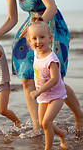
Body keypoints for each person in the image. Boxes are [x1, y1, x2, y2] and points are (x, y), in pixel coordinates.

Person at [0, 0, 83, 132]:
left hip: (51, 26)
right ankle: (37, 126)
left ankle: (79, 116)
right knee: (27, 79)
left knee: (56, 78)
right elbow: (12, 19)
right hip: (30, 29)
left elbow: (51, 7)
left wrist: (38, 25)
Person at [27, 15, 68, 150]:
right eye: (34, 38)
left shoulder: (51, 59)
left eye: (42, 37)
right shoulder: (36, 53)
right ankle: (61, 134)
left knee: (46, 121)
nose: (38, 41)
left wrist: (38, 91)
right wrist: (30, 28)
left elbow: (55, 79)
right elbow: (31, 38)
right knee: (43, 123)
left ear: (50, 38)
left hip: (56, 95)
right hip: (43, 97)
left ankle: (48, 148)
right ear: (30, 41)